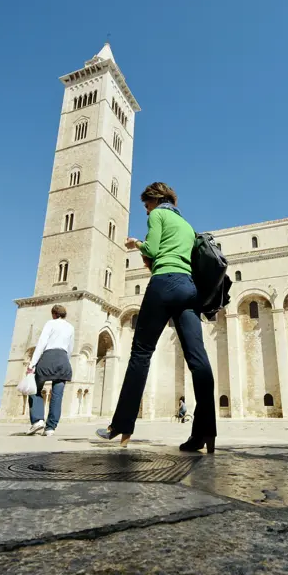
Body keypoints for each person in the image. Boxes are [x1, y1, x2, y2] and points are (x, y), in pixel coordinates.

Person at [96, 182, 216, 452]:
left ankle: (121, 425)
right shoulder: (187, 226)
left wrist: (136, 242)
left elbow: (151, 250)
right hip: (189, 289)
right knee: (198, 360)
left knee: (141, 353)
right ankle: (206, 432)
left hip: (163, 283)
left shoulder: (157, 215)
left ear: (153, 200)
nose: (146, 211)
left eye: (146, 205)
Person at [26, 304, 74, 437]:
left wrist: (32, 364)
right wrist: (65, 360)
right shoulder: (70, 327)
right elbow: (70, 348)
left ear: (54, 314)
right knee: (57, 396)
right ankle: (50, 428)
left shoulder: (50, 323)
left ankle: (37, 420)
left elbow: (41, 343)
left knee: (34, 389)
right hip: (63, 360)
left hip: (48, 358)